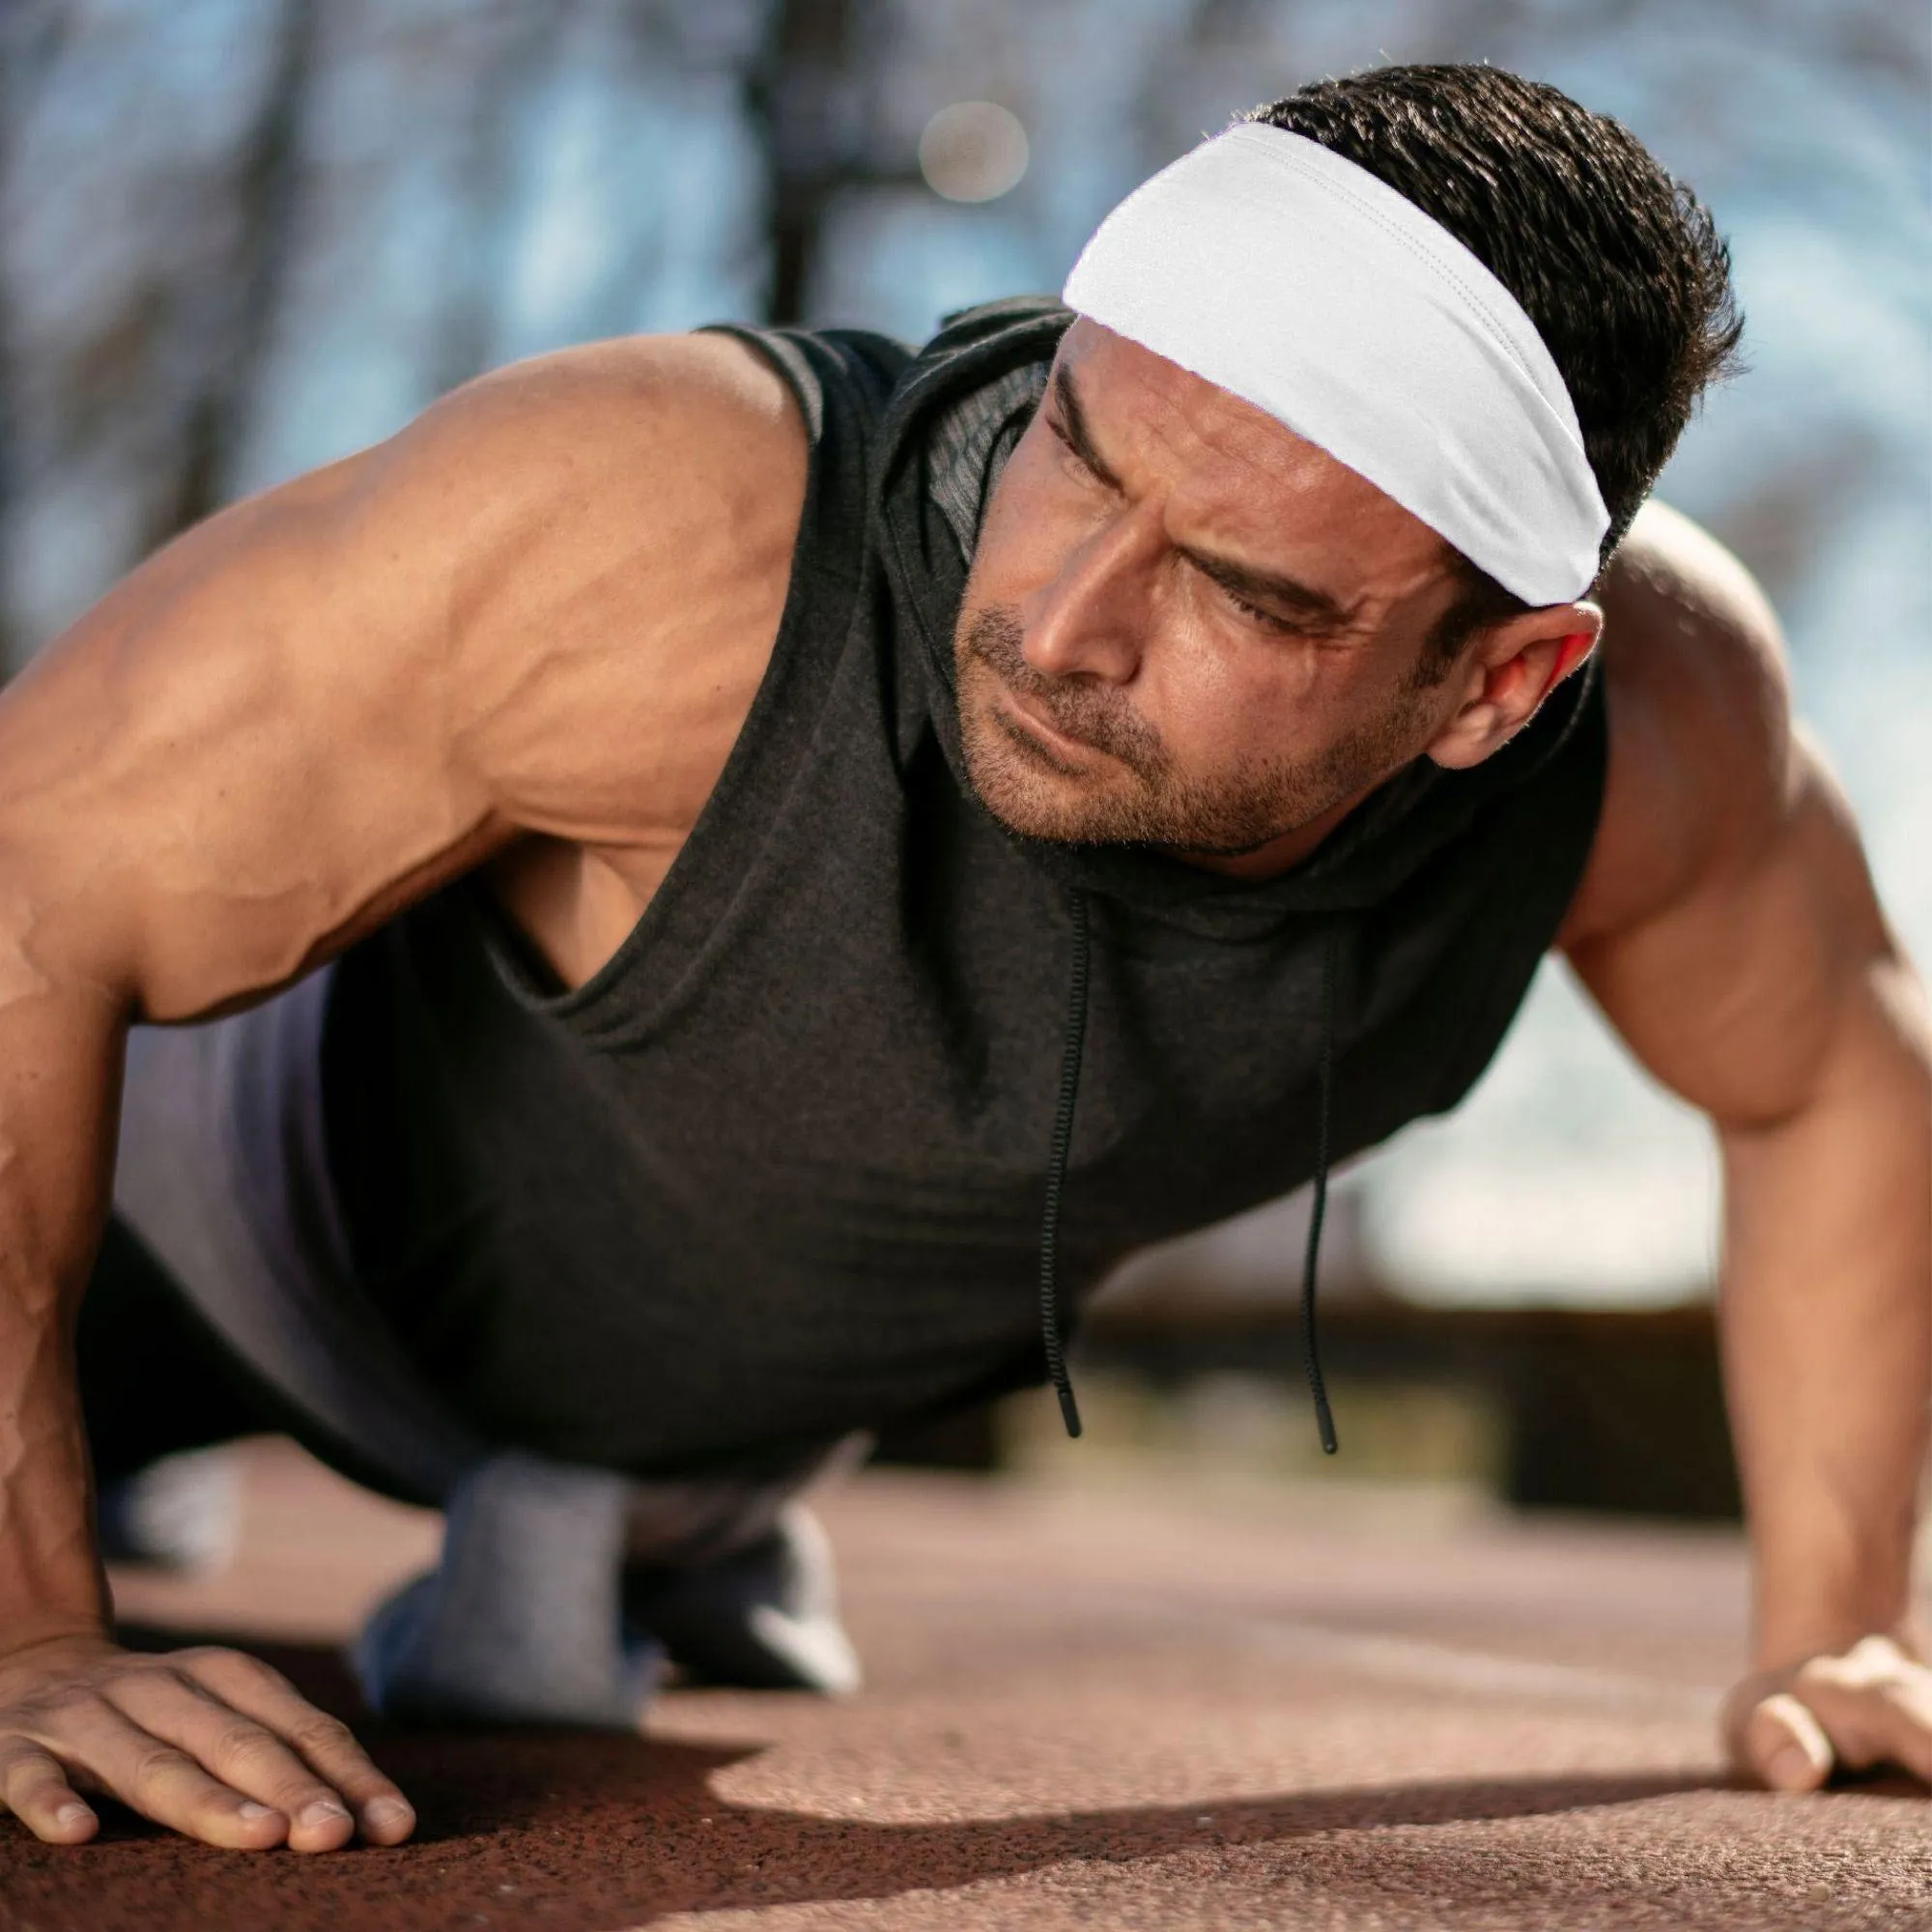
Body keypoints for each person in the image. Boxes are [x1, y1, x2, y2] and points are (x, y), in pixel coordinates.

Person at [0, 62, 1926, 1857]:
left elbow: (1834, 1069)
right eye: (1077, 456)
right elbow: (33, 868)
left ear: (1499, 683)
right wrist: (28, 1632)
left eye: (1245, 592)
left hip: (694, 1434)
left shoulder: (1659, 732)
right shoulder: (658, 526)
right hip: (201, 1236)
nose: (1062, 620)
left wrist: (1833, 1627)